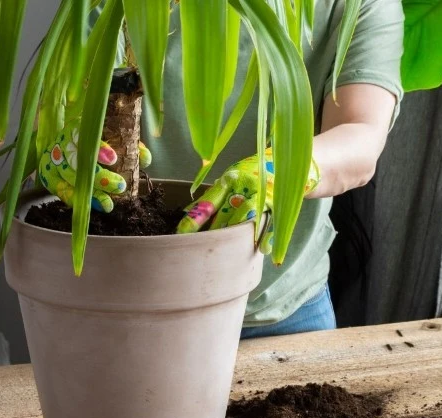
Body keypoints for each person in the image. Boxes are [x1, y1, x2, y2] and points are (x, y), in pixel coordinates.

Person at [150, 1, 404, 338]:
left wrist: (277, 172)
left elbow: (360, 133)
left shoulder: (358, 4)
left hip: (280, 307)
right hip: (123, 295)